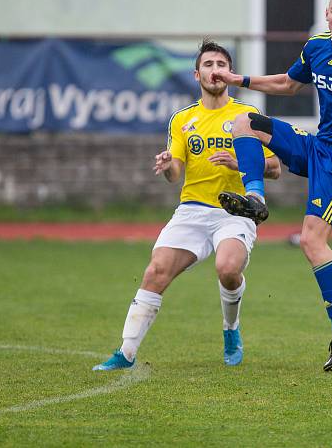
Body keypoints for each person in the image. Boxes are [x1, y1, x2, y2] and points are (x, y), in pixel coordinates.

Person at [211, 0, 332, 371]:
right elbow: (287, 84)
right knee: (245, 123)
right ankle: (255, 197)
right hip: (316, 144)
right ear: (327, 14)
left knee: (313, 240)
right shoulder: (316, 46)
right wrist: (240, 80)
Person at [93, 40, 281, 371]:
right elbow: (175, 174)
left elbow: (276, 167)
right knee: (155, 271)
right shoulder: (183, 119)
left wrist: (240, 163)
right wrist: (168, 165)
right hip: (192, 210)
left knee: (227, 268)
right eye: (208, 65)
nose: (215, 70)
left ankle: (231, 330)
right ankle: (126, 352)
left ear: (230, 73)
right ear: (197, 74)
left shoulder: (247, 116)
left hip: (236, 211)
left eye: (221, 64)